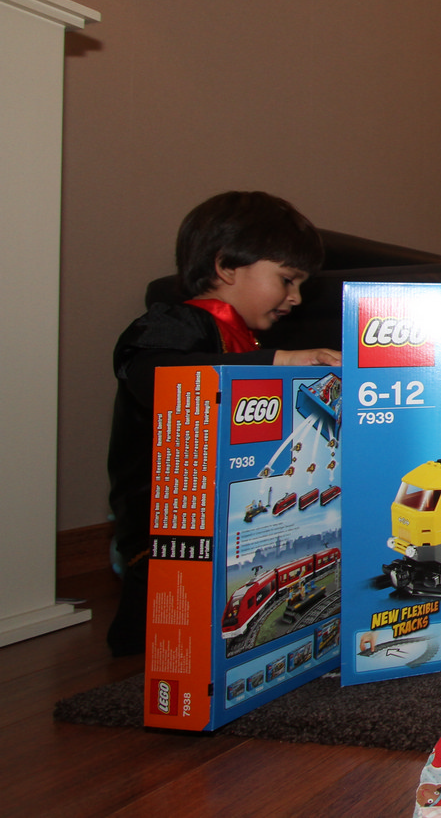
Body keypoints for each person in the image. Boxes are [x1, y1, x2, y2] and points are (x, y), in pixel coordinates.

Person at [106, 191, 341, 656]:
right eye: (287, 280)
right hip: (163, 526)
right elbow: (151, 371)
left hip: (222, 521)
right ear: (227, 266)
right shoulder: (181, 322)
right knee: (152, 634)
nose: (295, 298)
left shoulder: (245, 339)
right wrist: (279, 361)